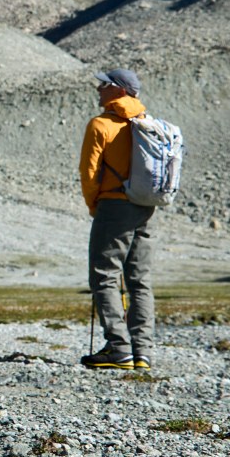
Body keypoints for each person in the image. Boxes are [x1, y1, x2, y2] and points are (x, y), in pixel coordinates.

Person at [78, 68, 156, 370]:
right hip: (146, 207)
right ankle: (143, 353)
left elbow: (89, 175)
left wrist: (95, 206)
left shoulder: (101, 125)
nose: (98, 88)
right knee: (140, 281)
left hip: (113, 205)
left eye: (104, 84)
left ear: (119, 90)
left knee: (104, 276)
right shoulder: (148, 123)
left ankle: (118, 348)